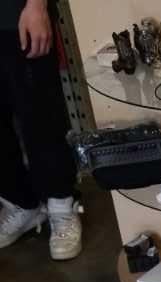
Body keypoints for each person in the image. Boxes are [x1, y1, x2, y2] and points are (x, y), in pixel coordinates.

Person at [0, 0, 81, 259]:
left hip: (16, 15)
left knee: (41, 114)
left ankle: (61, 206)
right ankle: (21, 204)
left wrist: (37, 6)